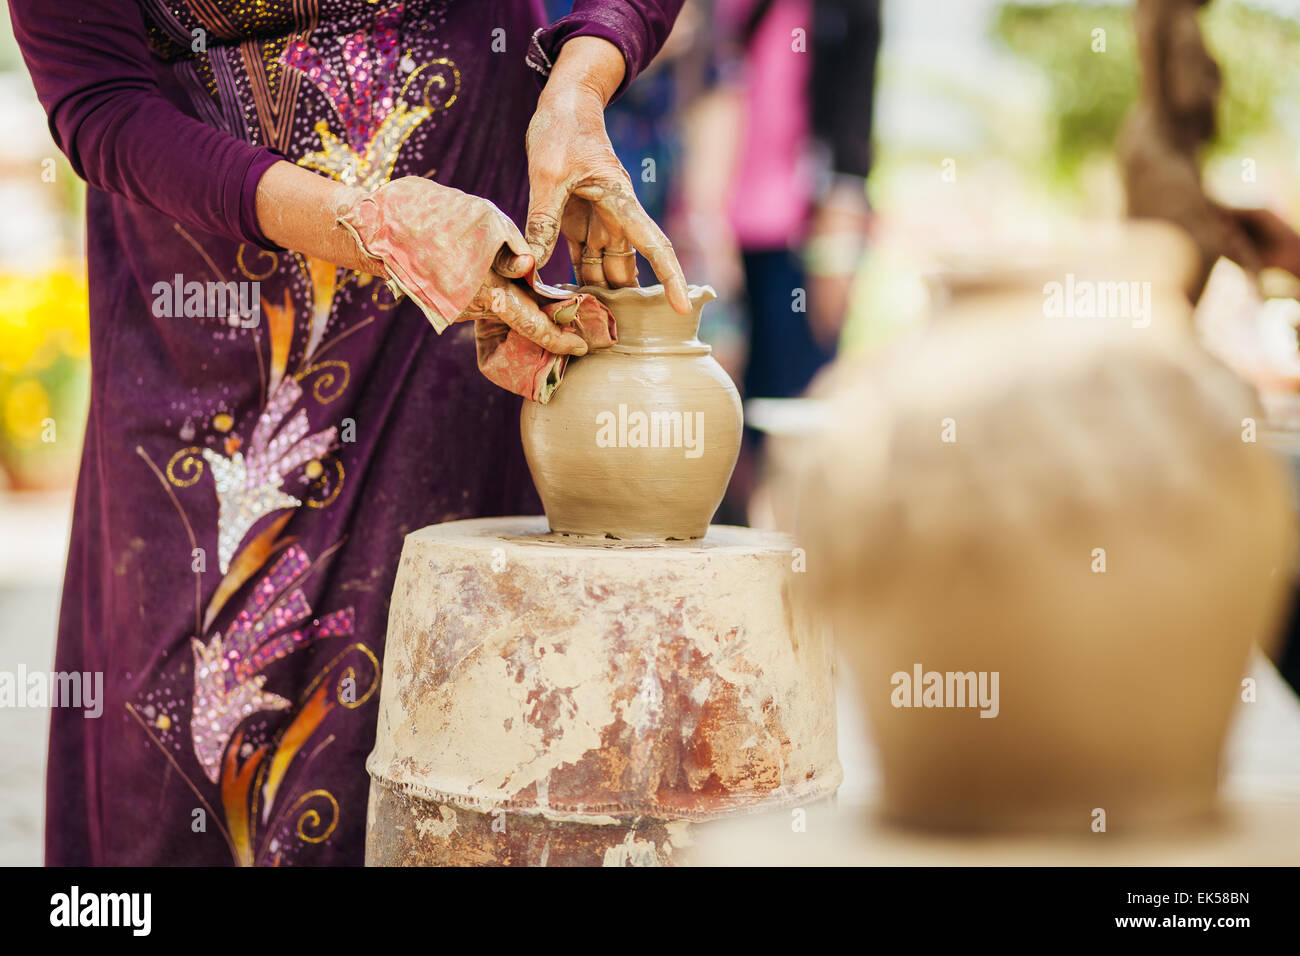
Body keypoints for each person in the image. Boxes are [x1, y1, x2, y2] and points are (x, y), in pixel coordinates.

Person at [9, 0, 686, 866]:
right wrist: (367, 225)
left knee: (441, 700)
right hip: (212, 318)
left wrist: (582, 81)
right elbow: (100, 99)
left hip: (458, 288)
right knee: (191, 730)